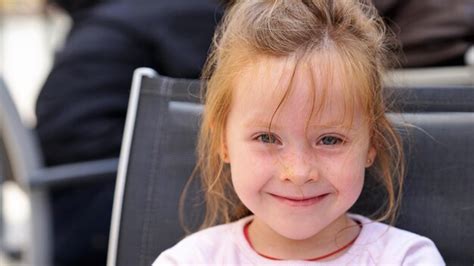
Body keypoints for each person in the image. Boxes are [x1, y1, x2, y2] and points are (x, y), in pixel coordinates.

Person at [153, 0, 445, 264]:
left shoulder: (407, 259)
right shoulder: (189, 261)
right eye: (267, 138)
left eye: (330, 139)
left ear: (372, 144)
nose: (299, 171)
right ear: (223, 141)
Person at [35, 0, 224, 265]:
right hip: (102, 205)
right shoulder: (188, 13)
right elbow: (225, 95)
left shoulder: (112, 21)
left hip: (58, 198)